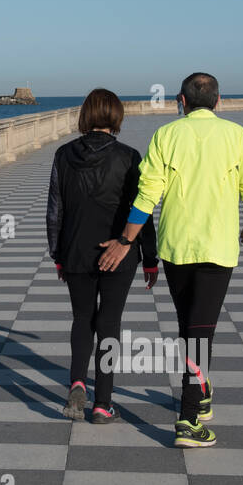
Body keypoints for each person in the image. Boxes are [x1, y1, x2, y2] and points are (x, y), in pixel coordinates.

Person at [96, 73, 243, 448]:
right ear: (219, 101)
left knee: (193, 325)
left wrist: (127, 238)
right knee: (199, 329)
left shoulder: (166, 136)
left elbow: (146, 196)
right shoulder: (238, 136)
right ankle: (188, 420)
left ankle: (200, 392)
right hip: (217, 249)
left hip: (177, 248)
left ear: (181, 101)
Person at [47, 88, 158, 423]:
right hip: (120, 253)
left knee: (82, 319)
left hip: (76, 251)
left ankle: (77, 382)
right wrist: (150, 257)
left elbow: (55, 211)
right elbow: (143, 211)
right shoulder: (129, 156)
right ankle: (102, 403)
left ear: (85, 116)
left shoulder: (63, 155)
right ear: (116, 116)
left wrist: (58, 254)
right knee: (109, 323)